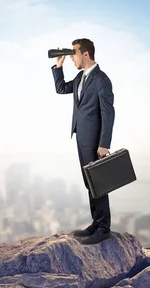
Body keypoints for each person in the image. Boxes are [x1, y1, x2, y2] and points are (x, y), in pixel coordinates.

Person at [51, 38, 115, 244]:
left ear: (85, 54)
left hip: (96, 141)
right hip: (81, 137)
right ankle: (97, 222)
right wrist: (58, 66)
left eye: (74, 54)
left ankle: (104, 228)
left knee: (99, 183)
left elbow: (108, 113)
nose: (72, 58)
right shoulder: (80, 78)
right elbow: (60, 88)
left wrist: (104, 144)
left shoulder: (101, 79)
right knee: (90, 183)